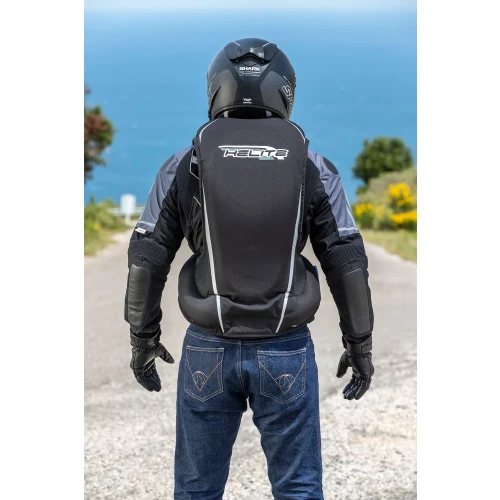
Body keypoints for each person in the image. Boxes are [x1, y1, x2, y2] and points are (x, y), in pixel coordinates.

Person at [124, 38, 374, 500]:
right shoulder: (314, 165)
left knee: (196, 489)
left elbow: (147, 257)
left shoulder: (183, 163)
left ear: (215, 88)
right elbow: (346, 261)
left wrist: (143, 338)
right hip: (286, 347)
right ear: (285, 92)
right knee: (298, 487)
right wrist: (359, 344)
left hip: (207, 347)